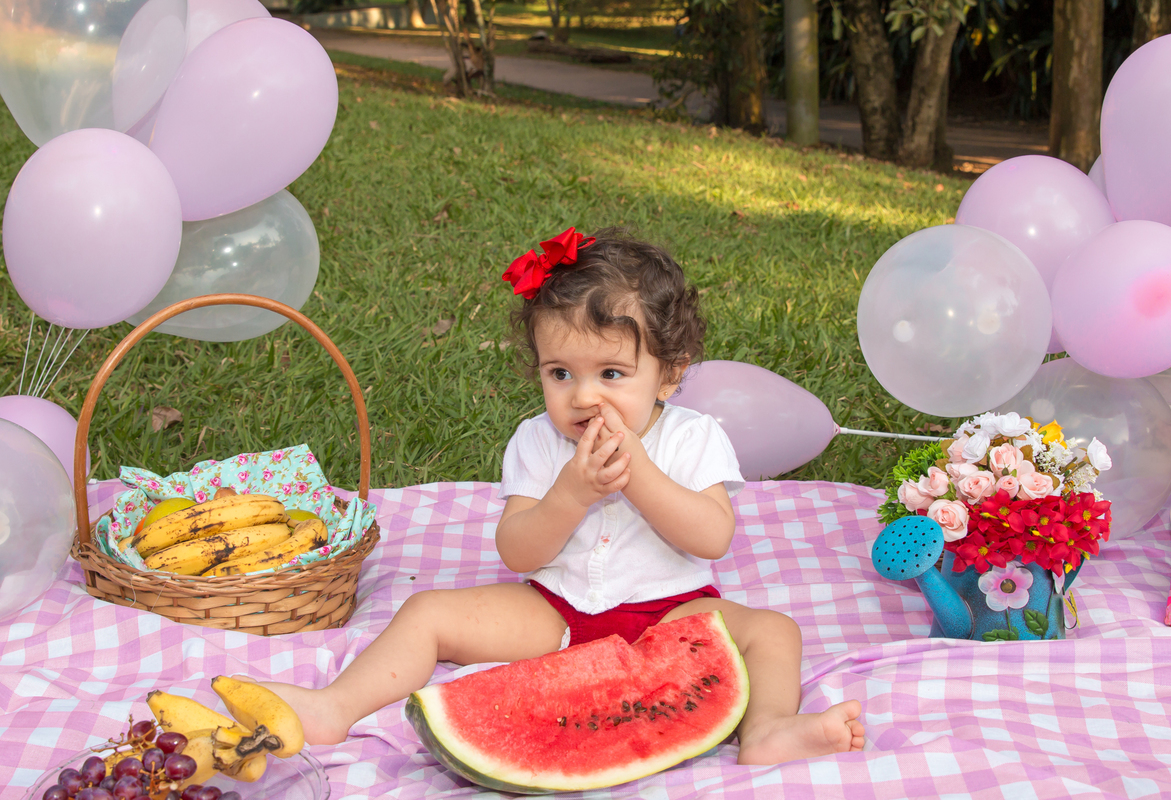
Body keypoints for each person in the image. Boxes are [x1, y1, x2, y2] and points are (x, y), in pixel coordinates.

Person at [263, 227, 864, 766]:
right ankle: (335, 707)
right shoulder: (536, 440)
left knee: (775, 631)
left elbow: (712, 537)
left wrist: (640, 475)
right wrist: (570, 495)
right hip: (555, 609)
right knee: (426, 614)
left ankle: (768, 729)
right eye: (560, 373)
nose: (582, 397)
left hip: (669, 614)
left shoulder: (692, 436)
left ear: (670, 374)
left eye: (611, 374)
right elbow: (518, 552)